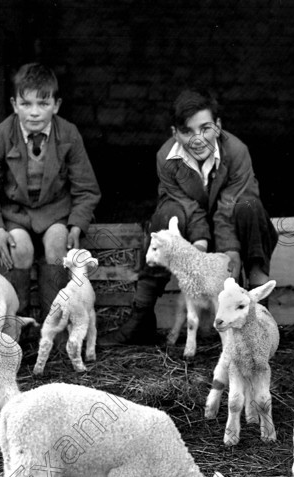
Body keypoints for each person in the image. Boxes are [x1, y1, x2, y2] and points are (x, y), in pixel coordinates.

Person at [100, 88, 278, 346]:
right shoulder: (166, 158)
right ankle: (142, 316)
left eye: (205, 128)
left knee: (250, 206)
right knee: (166, 214)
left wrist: (230, 251)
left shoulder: (237, 151)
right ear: (175, 133)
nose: (198, 139)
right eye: (187, 131)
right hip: (191, 236)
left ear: (218, 126)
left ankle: (260, 315)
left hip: (232, 230)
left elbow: (229, 206)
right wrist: (199, 245)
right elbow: (184, 203)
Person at [0, 63, 101, 319]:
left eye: (43, 104)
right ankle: (16, 324)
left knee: (57, 244)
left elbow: (87, 189)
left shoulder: (68, 134)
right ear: (14, 104)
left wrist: (76, 225)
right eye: (26, 104)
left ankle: (53, 324)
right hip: (16, 213)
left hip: (55, 212)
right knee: (20, 248)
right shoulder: (1, 135)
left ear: (56, 105)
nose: (34, 113)